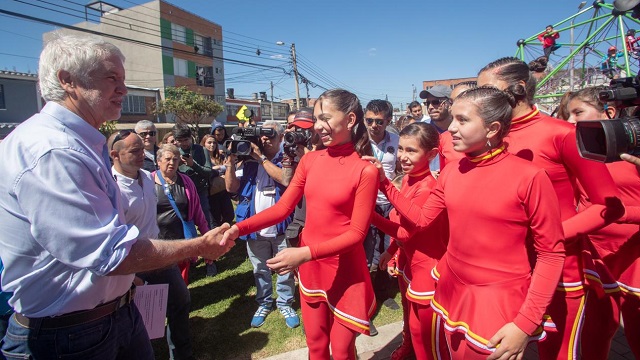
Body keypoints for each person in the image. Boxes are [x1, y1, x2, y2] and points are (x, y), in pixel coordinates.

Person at [0, 34, 232, 360]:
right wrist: (200, 245)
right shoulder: (52, 150)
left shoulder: (78, 143)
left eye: (123, 79)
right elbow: (110, 254)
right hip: (66, 336)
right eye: (112, 78)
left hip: (113, 315)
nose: (123, 89)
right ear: (68, 80)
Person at [385, 86, 565, 359]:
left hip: (497, 302)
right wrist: (384, 186)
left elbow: (551, 254)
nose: (451, 129)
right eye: (453, 119)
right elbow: (422, 220)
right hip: (451, 290)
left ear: (492, 128)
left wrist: (525, 323)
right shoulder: (452, 172)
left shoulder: (529, 177)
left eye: (462, 120)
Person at [477, 56, 624, 360]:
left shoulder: (562, 134)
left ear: (519, 88)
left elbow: (608, 206)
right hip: (504, 270)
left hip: (559, 270)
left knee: (557, 352)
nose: (482, 100)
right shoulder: (485, 138)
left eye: (489, 90)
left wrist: (550, 236)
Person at [222, 89, 378, 360]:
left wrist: (304, 254)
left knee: (342, 352)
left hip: (345, 272)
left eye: (325, 118)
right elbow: (283, 208)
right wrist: (238, 228)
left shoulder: (365, 170)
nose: (318, 126)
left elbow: (356, 234)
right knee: (316, 347)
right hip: (311, 270)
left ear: (351, 119)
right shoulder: (310, 160)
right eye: (316, 119)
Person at [566, 87, 640, 359]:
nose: (571, 121)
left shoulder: (634, 154)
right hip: (595, 256)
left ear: (609, 112)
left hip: (634, 255)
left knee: (635, 329)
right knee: (599, 326)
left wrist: (620, 214)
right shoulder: (580, 150)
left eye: (578, 113)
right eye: (568, 115)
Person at [364, 122, 449, 360]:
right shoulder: (409, 179)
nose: (403, 156)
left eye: (411, 151)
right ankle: (407, 345)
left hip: (427, 269)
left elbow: (404, 233)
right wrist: (391, 251)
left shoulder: (428, 188)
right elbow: (402, 227)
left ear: (432, 154)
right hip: (408, 262)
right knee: (409, 316)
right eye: (400, 149)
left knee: (426, 334)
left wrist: (369, 214)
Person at [109, 132, 194, 360]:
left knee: (180, 300)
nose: (141, 155)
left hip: (157, 255)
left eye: (141, 150)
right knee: (140, 317)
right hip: (130, 264)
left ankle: (181, 354)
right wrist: (132, 276)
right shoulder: (110, 188)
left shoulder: (147, 177)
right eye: (133, 151)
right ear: (114, 155)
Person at [224, 120, 299, 329]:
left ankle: (285, 303)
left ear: (281, 137)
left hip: (282, 226)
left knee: (285, 269)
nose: (265, 139)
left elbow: (285, 180)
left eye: (270, 135)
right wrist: (230, 161)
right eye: (262, 135)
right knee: (259, 268)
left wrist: (261, 158)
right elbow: (231, 188)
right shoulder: (248, 160)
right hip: (254, 227)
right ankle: (264, 302)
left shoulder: (287, 158)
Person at [153, 144, 211, 285]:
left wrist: (208, 240)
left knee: (180, 283)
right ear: (158, 161)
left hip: (181, 241)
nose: (172, 163)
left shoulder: (186, 182)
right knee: (159, 282)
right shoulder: (148, 181)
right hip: (157, 242)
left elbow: (198, 213)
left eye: (175, 159)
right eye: (168, 159)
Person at [363, 100, 399, 285]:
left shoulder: (396, 140)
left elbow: (400, 169)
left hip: (390, 200)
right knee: (370, 244)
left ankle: (386, 286)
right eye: (369, 121)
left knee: (389, 243)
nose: (373, 126)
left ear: (388, 121)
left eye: (379, 121)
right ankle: (371, 286)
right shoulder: (360, 142)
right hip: (368, 201)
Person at [200, 134, 235, 277]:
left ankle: (223, 245)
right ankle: (211, 261)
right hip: (209, 196)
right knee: (211, 225)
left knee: (227, 217)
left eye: (214, 142)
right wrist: (219, 169)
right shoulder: (201, 158)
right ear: (203, 144)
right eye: (208, 143)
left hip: (222, 193)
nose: (212, 145)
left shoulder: (220, 156)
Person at [173, 125, 215, 229]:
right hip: (182, 192)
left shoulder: (201, 150)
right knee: (185, 221)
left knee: (206, 220)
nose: (184, 143)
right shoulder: (174, 153)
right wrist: (177, 165)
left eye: (186, 140)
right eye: (180, 140)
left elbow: (209, 172)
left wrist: (193, 165)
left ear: (191, 137)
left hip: (200, 190)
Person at [419, 85, 454, 173]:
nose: (430, 107)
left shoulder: (460, 129)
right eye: (427, 103)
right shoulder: (421, 130)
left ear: (449, 103)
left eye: (435, 102)